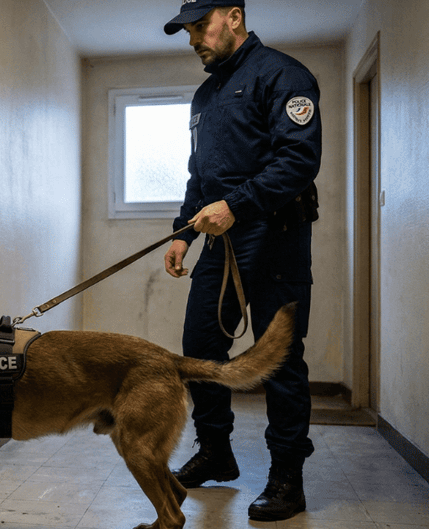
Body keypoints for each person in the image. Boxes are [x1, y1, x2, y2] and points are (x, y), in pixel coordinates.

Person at [161, 0, 322, 522]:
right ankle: (216, 452)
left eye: (199, 27)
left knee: (279, 356)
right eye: (188, 31)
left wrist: (234, 205)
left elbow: (298, 160)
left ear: (233, 17)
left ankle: (287, 477)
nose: (193, 40)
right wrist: (184, 233)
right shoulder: (206, 94)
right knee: (199, 347)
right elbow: (200, 174)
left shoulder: (283, 74)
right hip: (219, 240)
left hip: (276, 235)